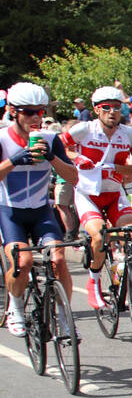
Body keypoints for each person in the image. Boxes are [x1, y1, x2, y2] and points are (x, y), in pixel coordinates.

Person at [0, 83, 79, 335]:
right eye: (28, 112)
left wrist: (52, 158)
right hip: (10, 211)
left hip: (41, 211)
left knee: (58, 260)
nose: (35, 117)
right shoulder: (2, 139)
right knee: (21, 260)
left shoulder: (50, 139)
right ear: (13, 111)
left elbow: (73, 177)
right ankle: (16, 307)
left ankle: (65, 319)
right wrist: (14, 160)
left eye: (40, 112)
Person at [64, 86, 132, 310]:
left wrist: (118, 167)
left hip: (114, 194)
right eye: (106, 108)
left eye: (117, 107)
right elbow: (59, 149)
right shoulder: (84, 129)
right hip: (88, 194)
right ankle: (93, 282)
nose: (113, 112)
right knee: (99, 235)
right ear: (96, 110)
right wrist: (77, 157)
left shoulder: (129, 134)